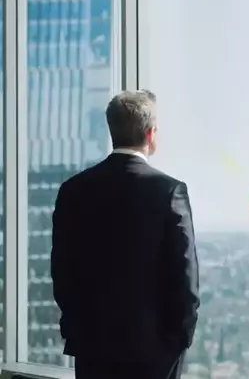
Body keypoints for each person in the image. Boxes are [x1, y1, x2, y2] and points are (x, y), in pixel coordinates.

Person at [50, 90, 200, 379]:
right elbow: (185, 278)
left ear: (112, 131)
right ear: (151, 133)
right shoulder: (170, 191)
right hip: (154, 353)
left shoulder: (73, 190)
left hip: (92, 348)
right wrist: (179, 341)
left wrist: (81, 330)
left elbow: (62, 273)